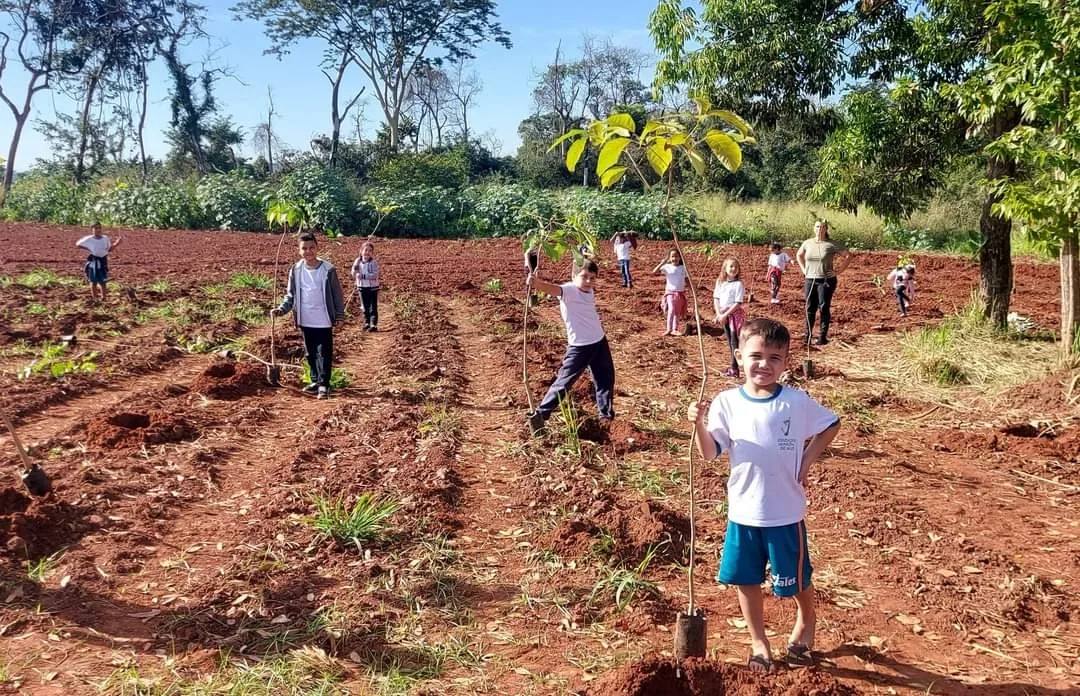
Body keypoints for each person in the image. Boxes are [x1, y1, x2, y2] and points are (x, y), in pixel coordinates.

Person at [687, 318, 840, 673]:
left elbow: (831, 424)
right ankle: (759, 641)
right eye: (756, 356)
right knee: (746, 579)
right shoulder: (727, 402)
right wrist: (697, 424)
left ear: (786, 362)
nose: (764, 364)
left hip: (785, 512)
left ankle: (806, 622)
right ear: (739, 356)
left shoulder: (795, 402)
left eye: (775, 357)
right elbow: (709, 453)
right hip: (743, 512)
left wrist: (806, 461)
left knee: (796, 579)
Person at [525, 259, 615, 436]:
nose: (588, 281)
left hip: (599, 341)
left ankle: (606, 416)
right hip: (580, 347)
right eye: (584, 277)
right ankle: (540, 416)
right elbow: (552, 289)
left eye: (592, 278)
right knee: (564, 382)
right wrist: (535, 283)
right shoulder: (569, 290)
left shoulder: (588, 291)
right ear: (574, 276)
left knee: (606, 378)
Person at [271, 233, 346, 399]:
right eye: (304, 248)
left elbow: (337, 295)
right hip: (305, 318)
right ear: (299, 251)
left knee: (324, 352)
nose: (308, 251)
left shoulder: (328, 269)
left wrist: (339, 316)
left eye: (311, 247)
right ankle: (314, 381)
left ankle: (324, 384)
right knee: (310, 352)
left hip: (324, 319)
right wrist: (282, 310)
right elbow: (290, 295)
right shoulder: (296, 270)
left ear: (317, 248)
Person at [796, 220, 851, 345]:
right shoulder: (807, 243)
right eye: (817, 226)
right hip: (810, 279)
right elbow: (799, 255)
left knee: (823, 307)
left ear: (826, 229)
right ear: (813, 228)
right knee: (810, 307)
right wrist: (804, 269)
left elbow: (848, 256)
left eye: (822, 227)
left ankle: (822, 336)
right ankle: (808, 336)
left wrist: (838, 271)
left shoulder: (831, 244)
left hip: (826, 281)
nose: (819, 229)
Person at [713, 257, 746, 378]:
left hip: (733, 315)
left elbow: (738, 303)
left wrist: (725, 315)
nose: (733, 269)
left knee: (734, 341)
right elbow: (716, 298)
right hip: (723, 315)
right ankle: (734, 366)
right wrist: (719, 314)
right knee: (729, 340)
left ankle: (735, 368)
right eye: (731, 266)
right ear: (725, 268)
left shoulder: (739, 284)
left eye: (736, 267)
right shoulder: (720, 282)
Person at [75, 222, 121, 302]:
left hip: (103, 260)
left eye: (99, 228)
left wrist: (117, 243)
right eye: (96, 228)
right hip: (94, 261)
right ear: (92, 230)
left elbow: (109, 249)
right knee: (93, 280)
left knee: (103, 280)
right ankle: (95, 298)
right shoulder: (89, 239)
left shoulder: (105, 238)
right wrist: (89, 249)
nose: (98, 230)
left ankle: (104, 298)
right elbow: (78, 244)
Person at [653, 249, 687, 336]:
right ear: (669, 258)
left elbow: (687, 280)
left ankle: (675, 329)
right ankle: (668, 329)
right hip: (670, 292)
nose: (674, 258)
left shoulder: (683, 268)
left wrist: (693, 288)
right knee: (671, 309)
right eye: (672, 256)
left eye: (676, 256)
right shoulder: (667, 267)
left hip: (680, 293)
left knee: (677, 312)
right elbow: (654, 271)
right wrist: (662, 262)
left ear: (680, 257)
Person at [351, 241, 380, 331]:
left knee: (372, 306)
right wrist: (355, 271)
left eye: (370, 251)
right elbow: (353, 273)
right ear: (361, 251)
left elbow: (375, 275)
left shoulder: (373, 263)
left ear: (372, 253)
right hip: (362, 287)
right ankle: (367, 322)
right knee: (364, 306)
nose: (367, 252)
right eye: (365, 250)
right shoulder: (358, 262)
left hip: (372, 288)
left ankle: (373, 324)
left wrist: (363, 276)